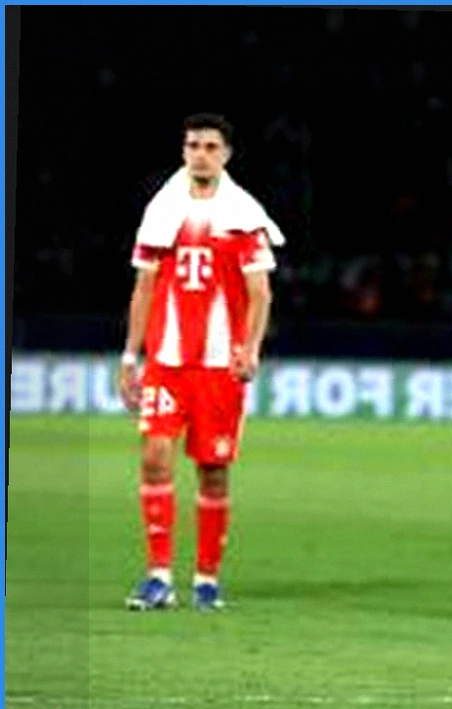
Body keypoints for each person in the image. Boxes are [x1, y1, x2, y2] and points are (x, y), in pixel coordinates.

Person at [119, 113, 284, 611]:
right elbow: (144, 287)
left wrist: (250, 349)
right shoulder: (161, 211)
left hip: (219, 367)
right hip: (167, 361)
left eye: (211, 147)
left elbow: (261, 293)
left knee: (213, 470)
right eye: (193, 145)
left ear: (226, 154)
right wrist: (129, 356)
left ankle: (206, 579)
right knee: (154, 457)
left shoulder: (244, 216)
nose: (201, 155)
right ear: (183, 151)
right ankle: (158, 576)